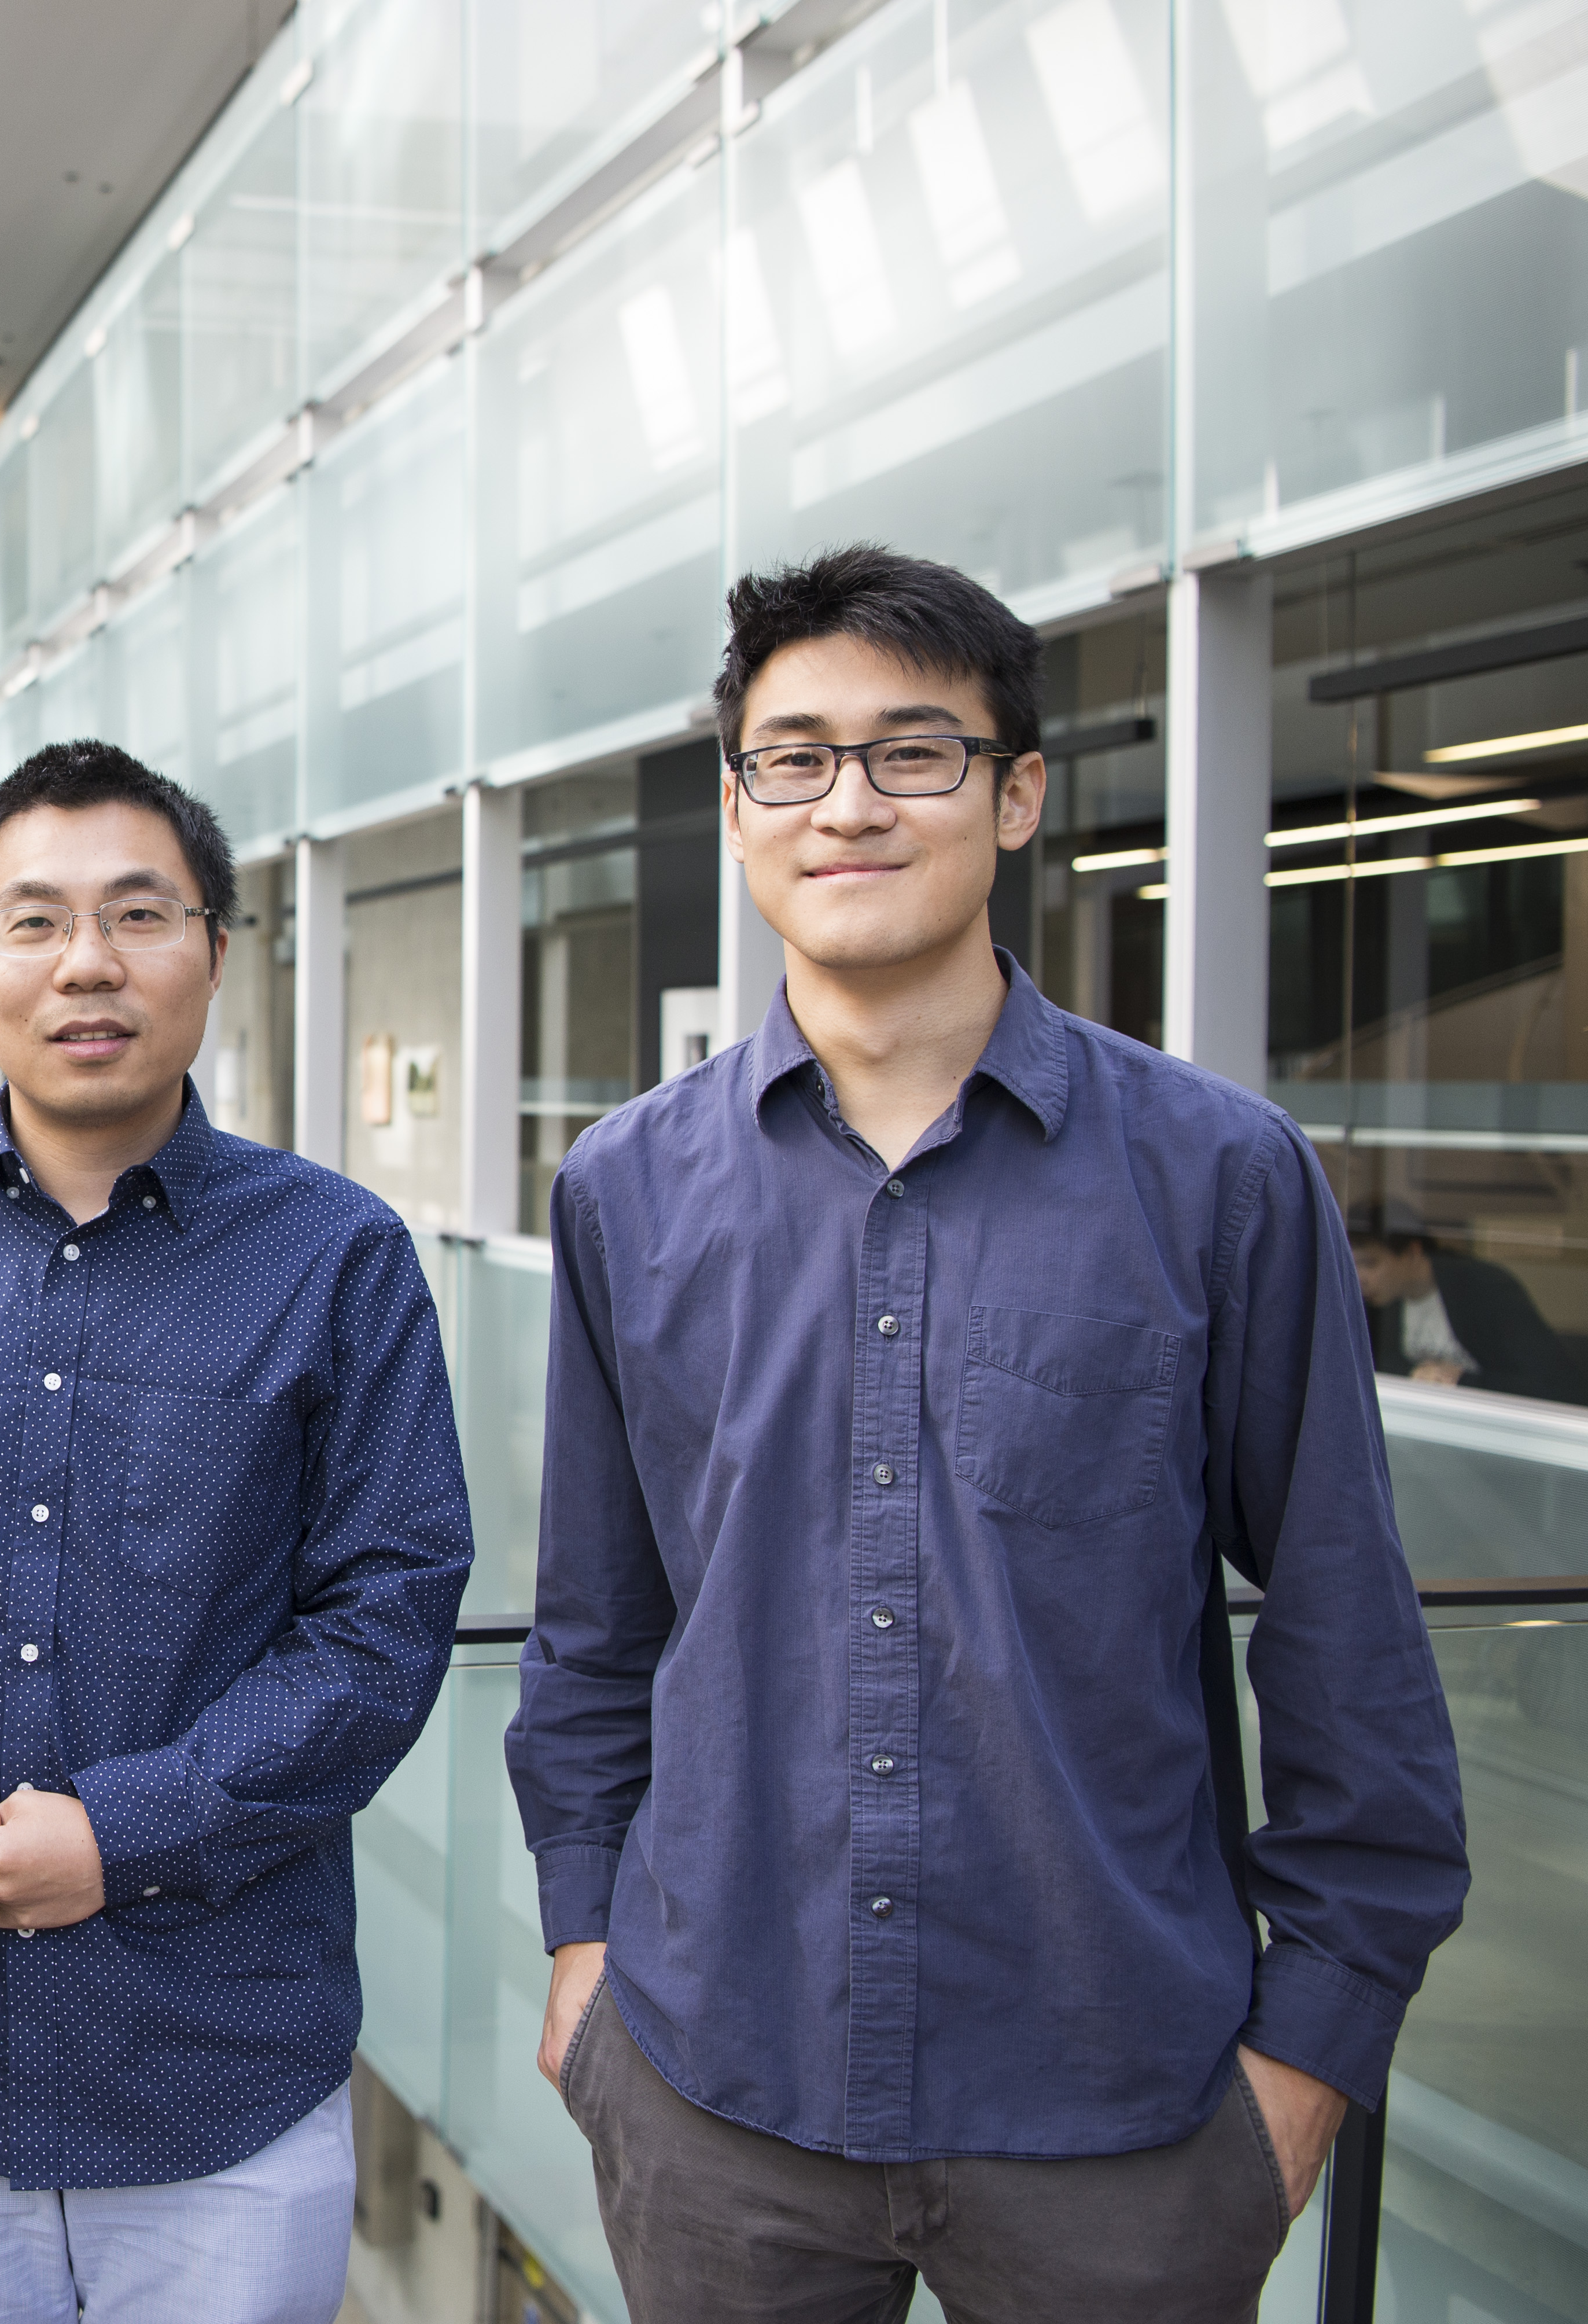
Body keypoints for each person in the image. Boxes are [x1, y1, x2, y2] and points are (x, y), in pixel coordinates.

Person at [507, 545, 1470, 2322]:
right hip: (713, 2095)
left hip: (1124, 2122)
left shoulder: (1215, 1175)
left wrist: (1305, 2065)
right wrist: (587, 1962)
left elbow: (1346, 1644)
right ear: (736, 811)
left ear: (1016, 793)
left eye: (913, 752)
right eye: (790, 757)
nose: (845, 803)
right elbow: (593, 1633)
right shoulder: (625, 1190)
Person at [0, 741, 472, 2324]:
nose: (88, 964)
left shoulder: (338, 1258)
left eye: (141, 915)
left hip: (218, 2077)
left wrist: (121, 1836)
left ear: (216, 947)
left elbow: (387, 1623)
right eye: (35, 922)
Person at [1349, 1198, 1587, 1404]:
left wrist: (1461, 1380)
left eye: (1370, 1264)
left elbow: (1553, 1383)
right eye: (1353, 1265)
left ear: (1413, 1252)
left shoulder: (1484, 1288)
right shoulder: (1378, 1303)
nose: (1360, 1279)